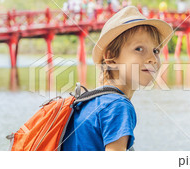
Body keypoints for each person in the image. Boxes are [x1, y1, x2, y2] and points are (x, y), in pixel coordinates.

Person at [61, 6, 173, 151]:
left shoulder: (94, 100)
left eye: (156, 50)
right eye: (139, 49)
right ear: (111, 58)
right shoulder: (118, 106)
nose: (152, 58)